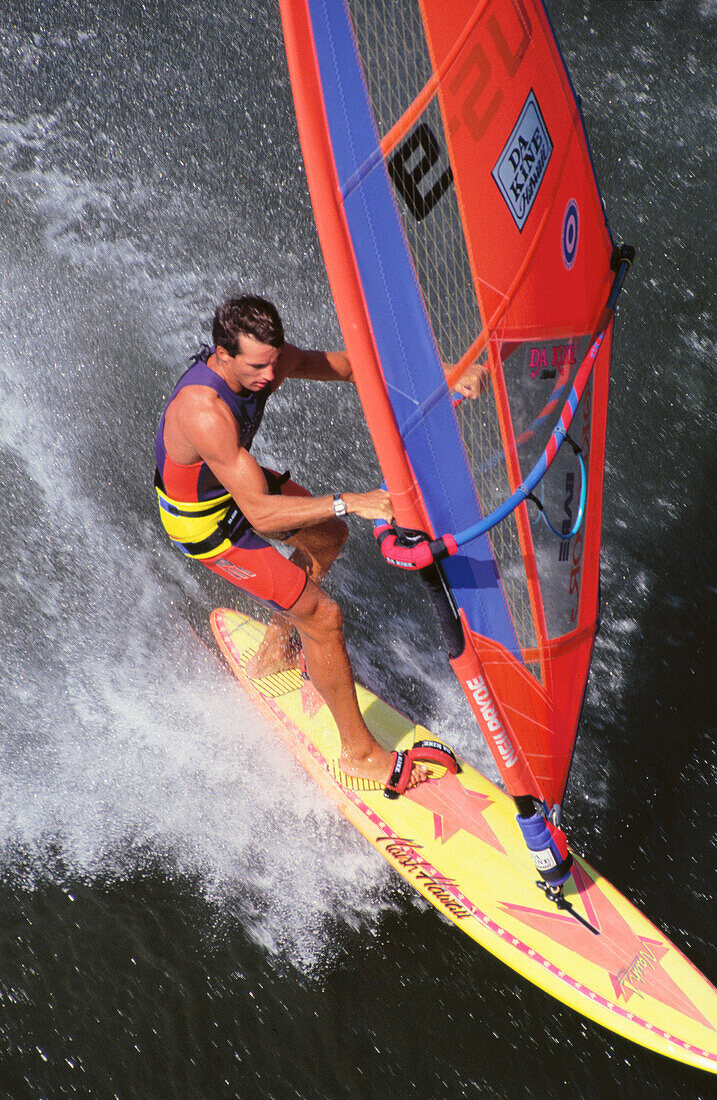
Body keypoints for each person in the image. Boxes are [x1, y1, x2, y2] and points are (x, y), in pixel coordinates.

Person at [156, 294, 425, 791]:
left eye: (275, 362)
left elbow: (348, 367)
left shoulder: (269, 363)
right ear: (222, 355)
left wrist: (444, 375)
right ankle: (360, 755)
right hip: (204, 522)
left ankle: (277, 645)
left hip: (237, 486)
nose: (269, 376)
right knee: (324, 616)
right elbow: (259, 512)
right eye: (257, 367)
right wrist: (352, 499)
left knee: (328, 536)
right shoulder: (204, 411)